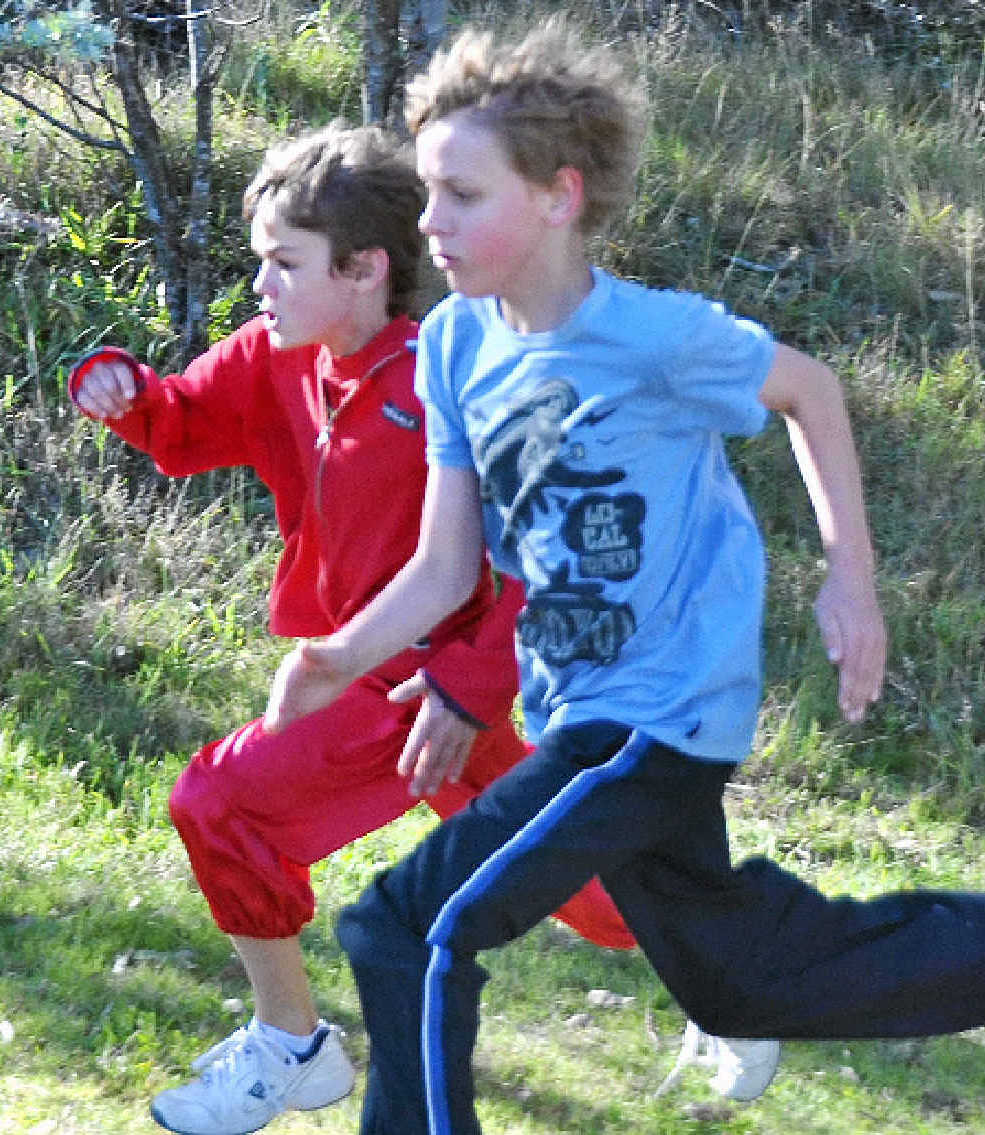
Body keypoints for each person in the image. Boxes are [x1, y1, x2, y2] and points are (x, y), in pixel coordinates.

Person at [261, 19, 985, 1135]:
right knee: (742, 977)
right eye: (426, 192)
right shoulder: (458, 346)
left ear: (558, 195)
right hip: (582, 711)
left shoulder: (655, 337)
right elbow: (443, 564)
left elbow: (810, 391)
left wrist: (848, 582)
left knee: (407, 925)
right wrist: (328, 660)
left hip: (653, 721)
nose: (430, 222)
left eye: (460, 194)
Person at [66, 122, 641, 1135]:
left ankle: (292, 1048)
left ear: (365, 268)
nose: (261, 287)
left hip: (433, 685)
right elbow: (184, 425)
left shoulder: (453, 377)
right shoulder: (274, 358)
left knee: (219, 801)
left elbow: (540, 560)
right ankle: (746, 960)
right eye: (260, 263)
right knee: (581, 881)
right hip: (372, 677)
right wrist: (123, 390)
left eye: (283, 264)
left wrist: (467, 683)